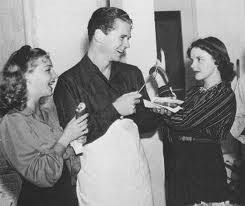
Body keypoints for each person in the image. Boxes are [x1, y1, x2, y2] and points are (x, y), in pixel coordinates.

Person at [53, 6, 168, 206]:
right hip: (99, 185)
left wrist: (159, 111)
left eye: (129, 38)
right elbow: (75, 140)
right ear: (99, 35)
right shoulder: (68, 82)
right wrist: (115, 109)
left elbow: (145, 126)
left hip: (136, 178)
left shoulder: (131, 74)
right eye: (122, 37)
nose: (127, 44)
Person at [152, 37, 236, 205]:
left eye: (199, 59)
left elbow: (182, 121)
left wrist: (163, 88)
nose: (192, 65)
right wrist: (165, 111)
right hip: (180, 163)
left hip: (204, 165)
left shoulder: (224, 95)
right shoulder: (195, 92)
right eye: (192, 60)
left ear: (217, 60)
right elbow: (173, 125)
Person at [0, 45, 89, 206]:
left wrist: (75, 141)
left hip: (66, 198)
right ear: (27, 76)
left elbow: (65, 160)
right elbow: (43, 175)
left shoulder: (47, 113)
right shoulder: (12, 122)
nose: (55, 75)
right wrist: (67, 136)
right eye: (48, 70)